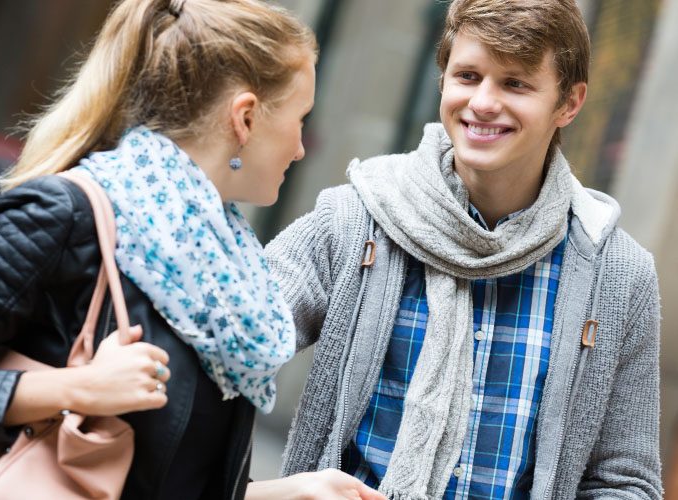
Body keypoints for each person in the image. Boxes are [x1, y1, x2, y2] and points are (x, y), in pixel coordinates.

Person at [0, 0, 385, 499]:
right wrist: (74, 389)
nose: (302, 148)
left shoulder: (228, 278)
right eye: (301, 118)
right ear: (246, 117)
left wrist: (287, 493)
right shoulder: (67, 216)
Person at [266, 0, 662, 498]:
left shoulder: (618, 275)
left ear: (569, 103)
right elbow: (229, 334)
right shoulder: (356, 219)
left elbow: (625, 482)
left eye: (515, 83)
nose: (483, 102)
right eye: (469, 76)